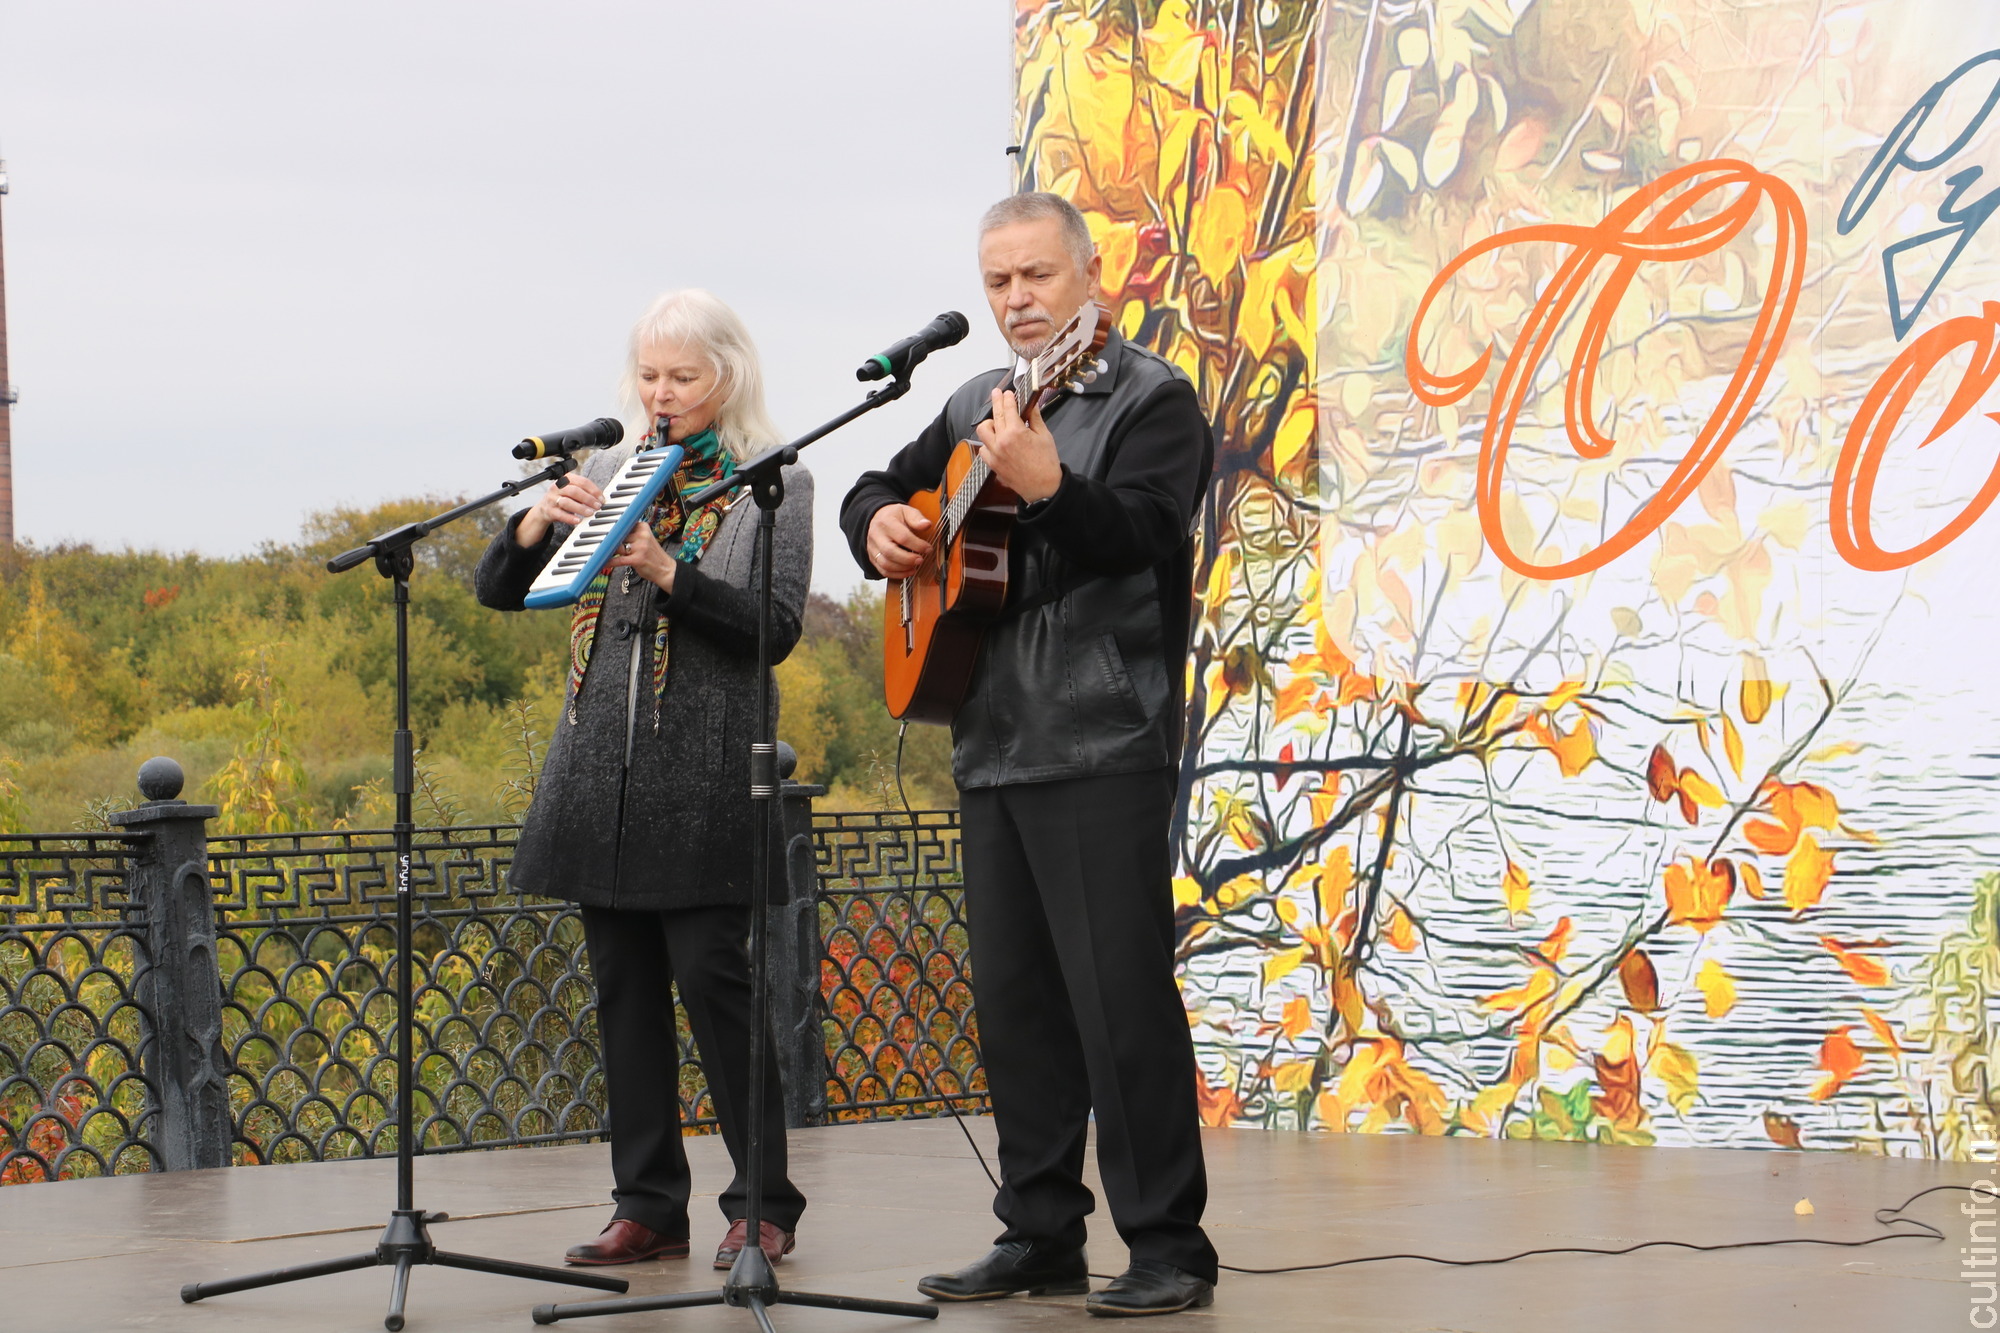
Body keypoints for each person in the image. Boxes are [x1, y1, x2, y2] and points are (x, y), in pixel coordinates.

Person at [838, 192, 1218, 1317]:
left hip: (1101, 735)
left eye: (1036, 275)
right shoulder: (972, 400)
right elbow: (874, 486)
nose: (1016, 298)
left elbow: (1145, 533)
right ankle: (1040, 1233)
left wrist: (1050, 486)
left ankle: (1169, 1247)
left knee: (1119, 1005)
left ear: (1091, 275)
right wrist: (876, 526)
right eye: (998, 280)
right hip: (989, 739)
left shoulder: (1152, 397)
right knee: (1016, 1010)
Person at [475, 289, 811, 1272]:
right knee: (623, 994)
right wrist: (532, 524)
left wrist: (671, 573)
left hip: (704, 780)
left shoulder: (769, 484)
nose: (662, 393)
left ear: (728, 376)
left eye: (683, 377)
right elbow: (501, 592)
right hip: (600, 779)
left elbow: (775, 627)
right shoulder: (608, 472)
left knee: (715, 988)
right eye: (650, 376)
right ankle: (649, 1204)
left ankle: (762, 1204)